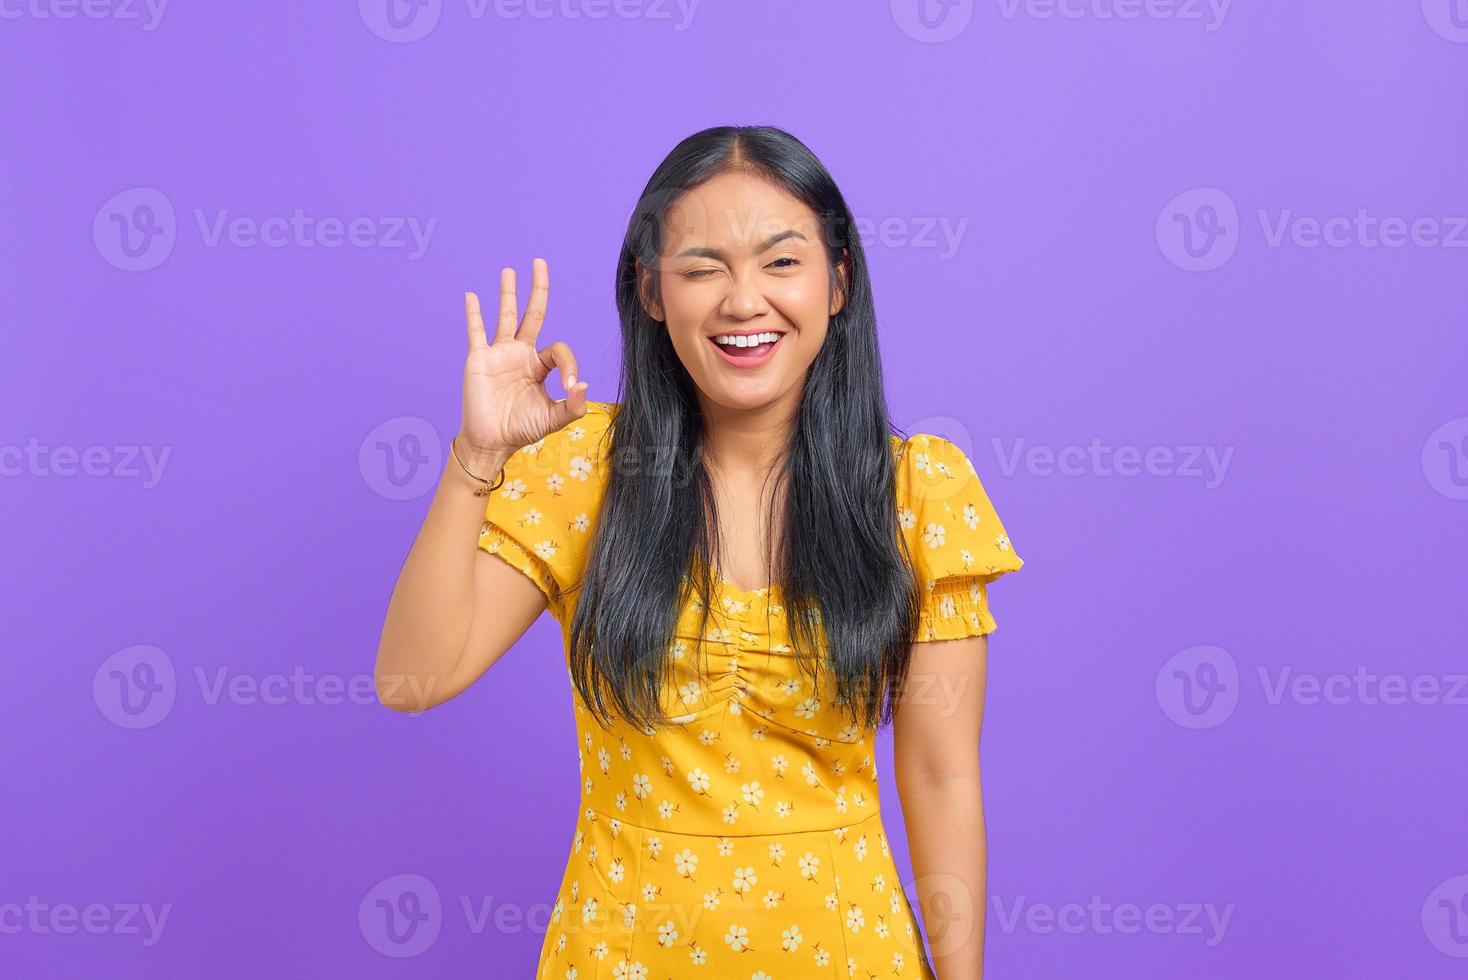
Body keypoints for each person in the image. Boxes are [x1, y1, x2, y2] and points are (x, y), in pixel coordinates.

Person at [375, 125, 1023, 979]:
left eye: (781, 262)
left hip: (850, 955)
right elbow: (412, 677)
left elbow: (942, 779)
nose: (743, 300)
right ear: (651, 292)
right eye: (702, 267)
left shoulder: (917, 493)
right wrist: (480, 459)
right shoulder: (589, 471)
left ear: (839, 282)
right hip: (620, 957)